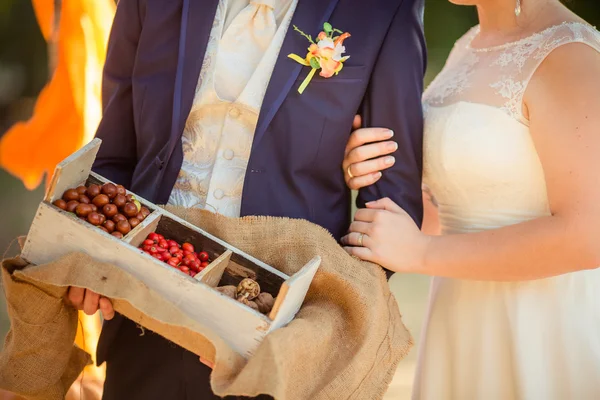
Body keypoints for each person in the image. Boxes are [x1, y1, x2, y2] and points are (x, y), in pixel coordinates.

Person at [64, 0, 427, 398]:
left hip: (277, 349)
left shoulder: (383, 9)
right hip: (141, 319)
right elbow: (115, 155)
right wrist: (92, 252)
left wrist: (309, 333)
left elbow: (390, 212)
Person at [342, 0, 600, 398]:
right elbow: (460, 208)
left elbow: (589, 235)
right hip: (462, 317)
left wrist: (422, 253)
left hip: (542, 327)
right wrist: (370, 166)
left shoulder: (571, 54)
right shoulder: (470, 43)